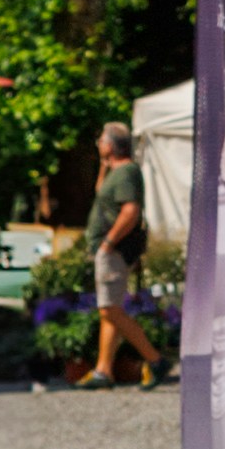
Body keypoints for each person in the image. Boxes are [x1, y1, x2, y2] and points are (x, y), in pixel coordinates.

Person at [76, 123, 161, 389]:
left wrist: (108, 243)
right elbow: (100, 192)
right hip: (110, 251)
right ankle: (104, 370)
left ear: (112, 145)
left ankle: (155, 360)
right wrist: (103, 164)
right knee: (109, 312)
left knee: (110, 309)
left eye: (101, 140)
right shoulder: (116, 172)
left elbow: (130, 211)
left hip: (113, 251)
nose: (98, 143)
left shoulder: (126, 173)